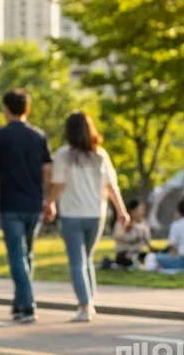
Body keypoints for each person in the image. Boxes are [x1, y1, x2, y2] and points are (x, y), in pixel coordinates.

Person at [0, 89, 53, 324]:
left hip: (10, 204)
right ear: (27, 109)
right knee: (27, 254)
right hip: (34, 204)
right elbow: (48, 170)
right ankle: (19, 304)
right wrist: (49, 200)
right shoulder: (39, 136)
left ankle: (27, 306)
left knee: (17, 256)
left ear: (5, 109)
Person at [46, 111, 129, 322]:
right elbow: (111, 186)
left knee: (77, 260)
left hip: (73, 214)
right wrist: (121, 210)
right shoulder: (99, 155)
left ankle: (85, 305)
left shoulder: (64, 154)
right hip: (96, 214)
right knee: (87, 258)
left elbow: (58, 184)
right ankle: (90, 301)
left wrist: (49, 203)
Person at [105, 199, 153, 269]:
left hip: (138, 253)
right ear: (132, 211)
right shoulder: (122, 223)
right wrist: (126, 228)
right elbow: (117, 237)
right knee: (128, 258)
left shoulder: (144, 224)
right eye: (140, 209)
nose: (142, 212)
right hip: (125, 254)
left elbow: (147, 241)